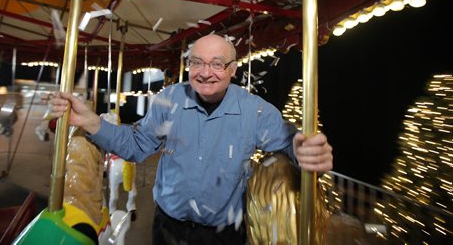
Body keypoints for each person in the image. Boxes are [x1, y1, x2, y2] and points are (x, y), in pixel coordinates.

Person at [48, 34, 333, 245]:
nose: (206, 72)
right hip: (167, 228)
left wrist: (305, 150)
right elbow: (136, 145)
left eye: (217, 64)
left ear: (234, 69)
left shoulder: (255, 110)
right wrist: (91, 121)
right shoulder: (169, 100)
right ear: (188, 65)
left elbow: (289, 143)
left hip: (223, 236)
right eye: (197, 62)